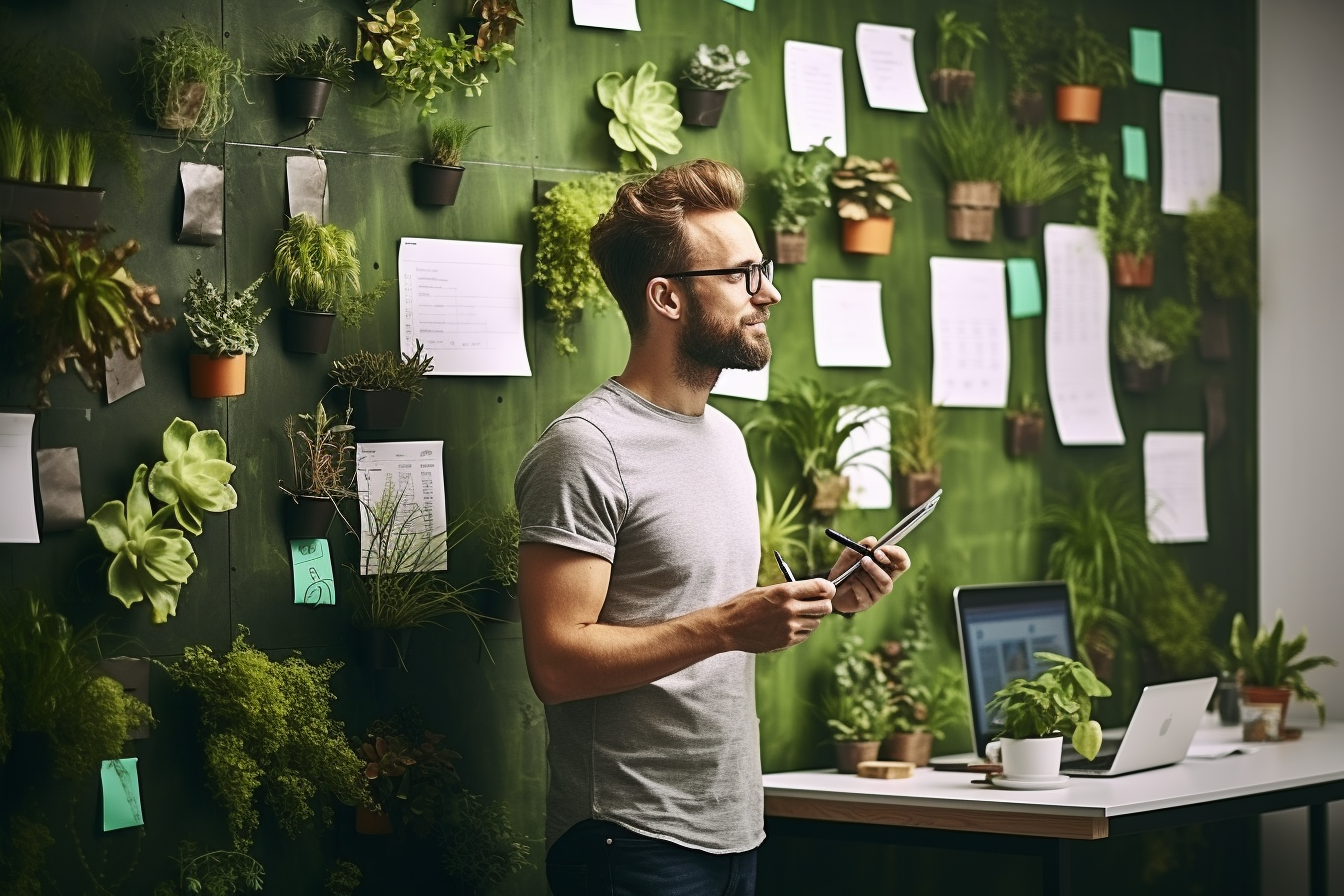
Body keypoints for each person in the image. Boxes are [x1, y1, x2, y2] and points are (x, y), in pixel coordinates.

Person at [514, 159, 911, 896]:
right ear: (666, 297)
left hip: (733, 827)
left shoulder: (725, 436)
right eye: (741, 275)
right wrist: (730, 626)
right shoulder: (586, 447)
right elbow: (557, 664)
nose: (770, 292)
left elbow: (689, 607)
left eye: (761, 269)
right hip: (629, 838)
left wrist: (826, 600)